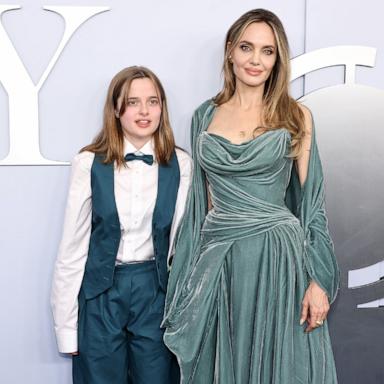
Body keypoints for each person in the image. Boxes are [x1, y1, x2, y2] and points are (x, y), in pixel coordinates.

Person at [163, 9, 339, 384]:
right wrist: (189, 279)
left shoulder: (296, 116)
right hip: (221, 261)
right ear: (230, 51)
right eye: (246, 47)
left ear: (278, 59)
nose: (255, 60)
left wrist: (319, 279)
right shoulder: (203, 116)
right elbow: (199, 205)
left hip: (278, 259)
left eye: (267, 51)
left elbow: (313, 203)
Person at [51, 66, 192, 384]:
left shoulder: (181, 165)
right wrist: (67, 329)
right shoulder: (88, 163)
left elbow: (182, 248)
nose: (144, 111)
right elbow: (71, 250)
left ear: (162, 108)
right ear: (116, 109)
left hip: (155, 295)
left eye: (153, 101)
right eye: (132, 102)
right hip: (101, 292)